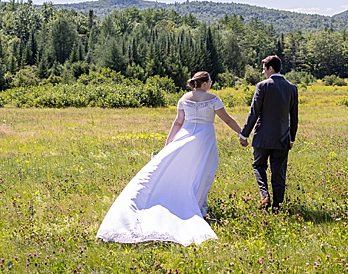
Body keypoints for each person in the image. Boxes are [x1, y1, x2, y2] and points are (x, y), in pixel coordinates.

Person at [96, 71, 246, 245]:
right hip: (205, 139)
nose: (211, 84)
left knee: (185, 170)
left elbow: (178, 122)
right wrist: (242, 133)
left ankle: (193, 203)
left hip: (186, 136)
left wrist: (169, 143)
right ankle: (198, 206)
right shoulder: (213, 99)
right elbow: (227, 120)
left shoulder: (184, 98)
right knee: (203, 171)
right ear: (204, 83)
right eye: (210, 81)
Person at [238, 55, 299, 209]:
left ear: (271, 68)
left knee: (258, 166)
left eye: (264, 69)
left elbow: (254, 112)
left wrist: (244, 134)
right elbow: (294, 117)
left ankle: (265, 196)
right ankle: (277, 205)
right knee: (279, 173)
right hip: (282, 138)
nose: (263, 72)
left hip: (263, 137)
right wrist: (292, 138)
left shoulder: (262, 86)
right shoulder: (292, 88)